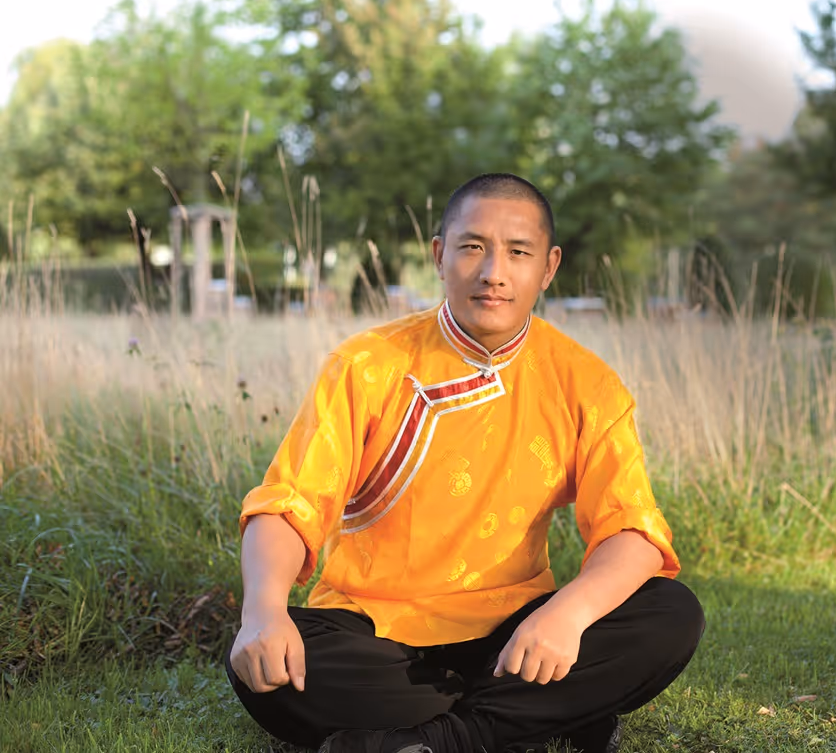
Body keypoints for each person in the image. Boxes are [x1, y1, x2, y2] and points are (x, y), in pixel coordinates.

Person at [225, 173, 705, 753]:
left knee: (670, 612)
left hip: (515, 629)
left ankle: (440, 737)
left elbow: (633, 531)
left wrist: (568, 617)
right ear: (439, 255)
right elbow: (288, 506)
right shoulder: (365, 365)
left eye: (518, 252)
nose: (493, 272)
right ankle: (541, 714)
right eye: (472, 246)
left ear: (548, 267)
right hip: (374, 632)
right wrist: (263, 612)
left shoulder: (587, 382)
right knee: (277, 664)